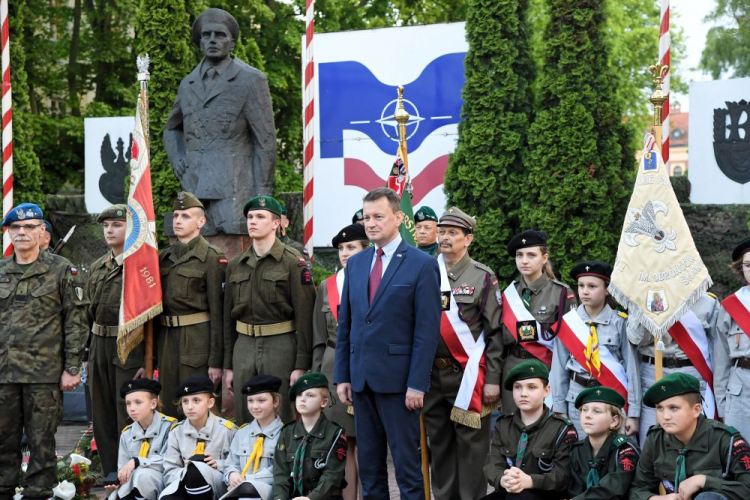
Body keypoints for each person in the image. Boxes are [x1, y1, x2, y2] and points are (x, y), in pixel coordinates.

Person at [334, 187, 442, 500]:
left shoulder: (421, 264)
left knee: (408, 472)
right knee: (370, 471)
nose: (371, 223)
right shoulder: (355, 264)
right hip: (362, 382)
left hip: (400, 386)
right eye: (367, 217)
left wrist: (417, 385)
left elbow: (426, 332)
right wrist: (343, 375)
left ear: (398, 218)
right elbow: (348, 326)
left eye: (378, 216)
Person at [0, 203, 87, 499]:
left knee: (41, 442)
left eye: (28, 227)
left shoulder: (62, 270)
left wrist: (72, 367)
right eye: (15, 228)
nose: (21, 233)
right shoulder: (1, 270)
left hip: (44, 374)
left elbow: (75, 322)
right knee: (3, 439)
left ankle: (38, 492)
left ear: (42, 232)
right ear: (8, 233)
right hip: (4, 372)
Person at [164, 8, 276, 235]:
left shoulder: (250, 79)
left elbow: (265, 141)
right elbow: (171, 127)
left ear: (232, 43)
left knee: (235, 257)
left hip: (234, 188)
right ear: (200, 42)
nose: (212, 40)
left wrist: (262, 198)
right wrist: (178, 159)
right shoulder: (188, 84)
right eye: (206, 35)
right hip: (193, 185)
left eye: (220, 35)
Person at [422, 206, 503, 500]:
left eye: (452, 233)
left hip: (469, 375)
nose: (444, 238)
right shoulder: (425, 270)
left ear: (468, 238)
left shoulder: (482, 276)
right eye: (441, 232)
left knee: (472, 452)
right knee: (439, 447)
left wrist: (493, 378)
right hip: (431, 375)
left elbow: (495, 332)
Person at [224, 195, 315, 424]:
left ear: (276, 223)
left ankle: (282, 460)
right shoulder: (236, 264)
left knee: (281, 412)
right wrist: (228, 365)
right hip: (243, 346)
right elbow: (227, 318)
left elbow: (305, 316)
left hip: (280, 345)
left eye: (260, 217)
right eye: (250, 217)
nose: (253, 221)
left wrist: (301, 364)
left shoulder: (293, 262)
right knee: (245, 412)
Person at [87, 204, 146, 475]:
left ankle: (129, 469)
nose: (110, 230)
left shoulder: (142, 268)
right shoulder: (98, 266)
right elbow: (87, 311)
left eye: (117, 225)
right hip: (99, 343)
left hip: (129, 344)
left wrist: (148, 357)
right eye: (106, 226)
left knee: (128, 410)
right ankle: (110, 469)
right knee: (101, 411)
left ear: (130, 229)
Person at [550, 261, 640, 438]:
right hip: (577, 398)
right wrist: (559, 408)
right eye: (581, 285)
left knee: (614, 453)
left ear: (607, 289)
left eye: (592, 286)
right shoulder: (569, 323)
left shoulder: (620, 322)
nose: (584, 291)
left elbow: (632, 369)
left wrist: (634, 413)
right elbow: (558, 369)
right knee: (578, 453)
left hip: (612, 399)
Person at [158, 192, 227, 418]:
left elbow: (219, 314)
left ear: (201, 222)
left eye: (186, 216)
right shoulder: (163, 258)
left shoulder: (212, 258)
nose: (178, 220)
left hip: (197, 340)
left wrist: (216, 361)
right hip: (167, 340)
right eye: (176, 215)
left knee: (196, 406)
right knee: (168, 405)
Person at [312, 223, 368, 500]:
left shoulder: (376, 282)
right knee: (342, 442)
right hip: (335, 367)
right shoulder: (327, 286)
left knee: (367, 443)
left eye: (352, 247)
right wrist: (316, 379)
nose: (345, 253)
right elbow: (318, 339)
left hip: (367, 364)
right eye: (341, 249)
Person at [629, 372, 750, 500]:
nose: (665, 416)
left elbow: (747, 489)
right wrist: (656, 499)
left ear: (696, 410)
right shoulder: (656, 438)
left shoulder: (726, 440)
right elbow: (637, 488)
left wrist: (704, 481)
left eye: (674, 408)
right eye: (660, 408)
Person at [500, 230, 577, 413]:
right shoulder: (508, 295)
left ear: (544, 258)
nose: (524, 261)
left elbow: (571, 343)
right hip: (513, 370)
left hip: (546, 370)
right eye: (520, 255)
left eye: (531, 255)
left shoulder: (561, 294)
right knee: (512, 428)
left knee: (546, 431)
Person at [628, 293, 718, 444]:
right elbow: (636, 338)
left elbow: (716, 348)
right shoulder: (642, 297)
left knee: (696, 442)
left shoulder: (707, 301)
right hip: (652, 375)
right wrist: (648, 309)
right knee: (653, 442)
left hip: (693, 375)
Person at [483, 360, 578, 500]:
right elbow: (493, 464)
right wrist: (502, 480)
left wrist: (530, 481)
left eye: (532, 387)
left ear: (546, 391)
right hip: (510, 491)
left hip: (545, 493)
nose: (523, 394)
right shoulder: (503, 424)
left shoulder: (561, 428)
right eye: (518, 387)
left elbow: (563, 476)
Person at [272, 372, 347, 500]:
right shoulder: (287, 432)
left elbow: (332, 475)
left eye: (310, 395)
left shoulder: (335, 433)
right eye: (299, 395)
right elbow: (281, 474)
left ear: (323, 402)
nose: (302, 399)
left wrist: (310, 498)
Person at [161, 376, 238, 500]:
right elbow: (169, 471)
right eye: (185, 401)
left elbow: (237, 465)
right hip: (183, 484)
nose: (189, 407)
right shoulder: (176, 432)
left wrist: (216, 464)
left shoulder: (227, 430)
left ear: (210, 403)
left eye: (196, 400)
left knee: (196, 472)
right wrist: (188, 471)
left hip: (217, 487)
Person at [567, 387, 639, 500]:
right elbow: (573, 489)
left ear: (614, 421)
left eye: (597, 411)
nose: (588, 415)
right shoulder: (577, 450)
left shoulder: (625, 450)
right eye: (584, 410)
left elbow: (612, 489)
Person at [109, 378, 175, 500]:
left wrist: (138, 461)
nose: (132, 408)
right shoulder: (127, 434)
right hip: (133, 484)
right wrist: (119, 478)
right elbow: (123, 467)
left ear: (153, 404)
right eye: (128, 403)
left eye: (138, 402)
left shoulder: (170, 427)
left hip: (162, 483)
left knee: (142, 476)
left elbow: (170, 462)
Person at [222, 375, 284, 500]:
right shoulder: (242, 433)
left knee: (248, 489)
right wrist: (232, 475)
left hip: (272, 491)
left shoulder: (285, 434)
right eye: (250, 401)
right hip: (241, 488)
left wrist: (246, 480)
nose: (255, 406)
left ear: (275, 401)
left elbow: (280, 472)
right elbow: (230, 463)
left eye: (261, 401)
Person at [714, 236, 750, 438]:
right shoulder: (731, 306)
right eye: (747, 264)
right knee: (740, 453)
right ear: (741, 268)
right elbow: (722, 360)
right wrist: (721, 406)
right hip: (740, 390)